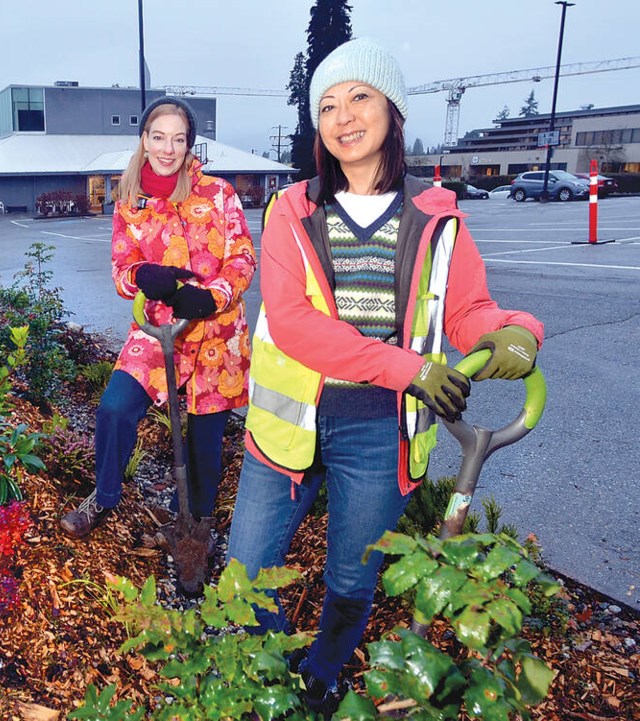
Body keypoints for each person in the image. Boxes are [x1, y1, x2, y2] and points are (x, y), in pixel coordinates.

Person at [224, 38, 544, 714]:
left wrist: (515, 331)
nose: (343, 117)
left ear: (391, 110)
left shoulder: (436, 220)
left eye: (359, 97)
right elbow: (293, 322)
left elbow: (467, 311)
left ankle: (318, 677)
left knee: (350, 578)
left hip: (380, 434)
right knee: (245, 573)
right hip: (286, 427)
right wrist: (408, 367)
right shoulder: (291, 211)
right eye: (328, 106)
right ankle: (272, 668)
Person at [60, 96, 256, 538]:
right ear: (144, 140)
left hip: (216, 336)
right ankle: (105, 495)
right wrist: (143, 274)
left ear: (190, 145)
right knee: (114, 407)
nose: (168, 149)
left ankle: (194, 526)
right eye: (159, 137)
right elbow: (121, 271)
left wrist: (212, 298)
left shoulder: (218, 193)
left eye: (178, 139)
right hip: (158, 329)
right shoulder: (130, 202)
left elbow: (243, 257)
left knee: (205, 443)